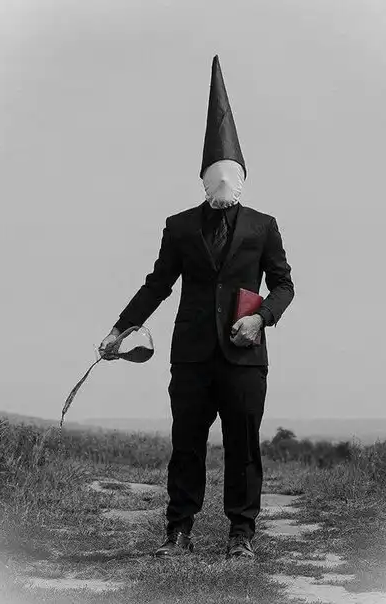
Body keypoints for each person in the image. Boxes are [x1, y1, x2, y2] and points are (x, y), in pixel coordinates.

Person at [98, 55, 294, 560]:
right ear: (204, 178)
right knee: (185, 444)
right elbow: (158, 284)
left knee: (243, 447)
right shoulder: (180, 226)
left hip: (244, 357)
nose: (224, 186)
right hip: (191, 356)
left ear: (243, 177)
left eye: (231, 178)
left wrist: (261, 317)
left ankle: (241, 535)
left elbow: (284, 286)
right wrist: (121, 328)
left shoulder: (264, 226)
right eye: (216, 178)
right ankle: (178, 531)